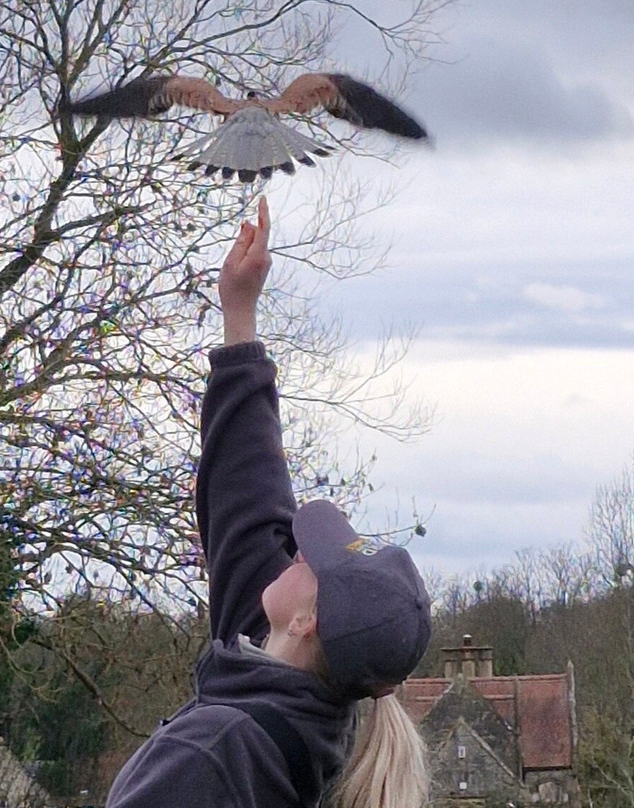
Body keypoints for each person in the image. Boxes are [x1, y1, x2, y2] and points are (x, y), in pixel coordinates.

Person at [105, 197, 432, 808]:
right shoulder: (298, 701)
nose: (293, 555)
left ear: (306, 621)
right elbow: (248, 504)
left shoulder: (215, 756)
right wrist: (240, 320)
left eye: (309, 561)